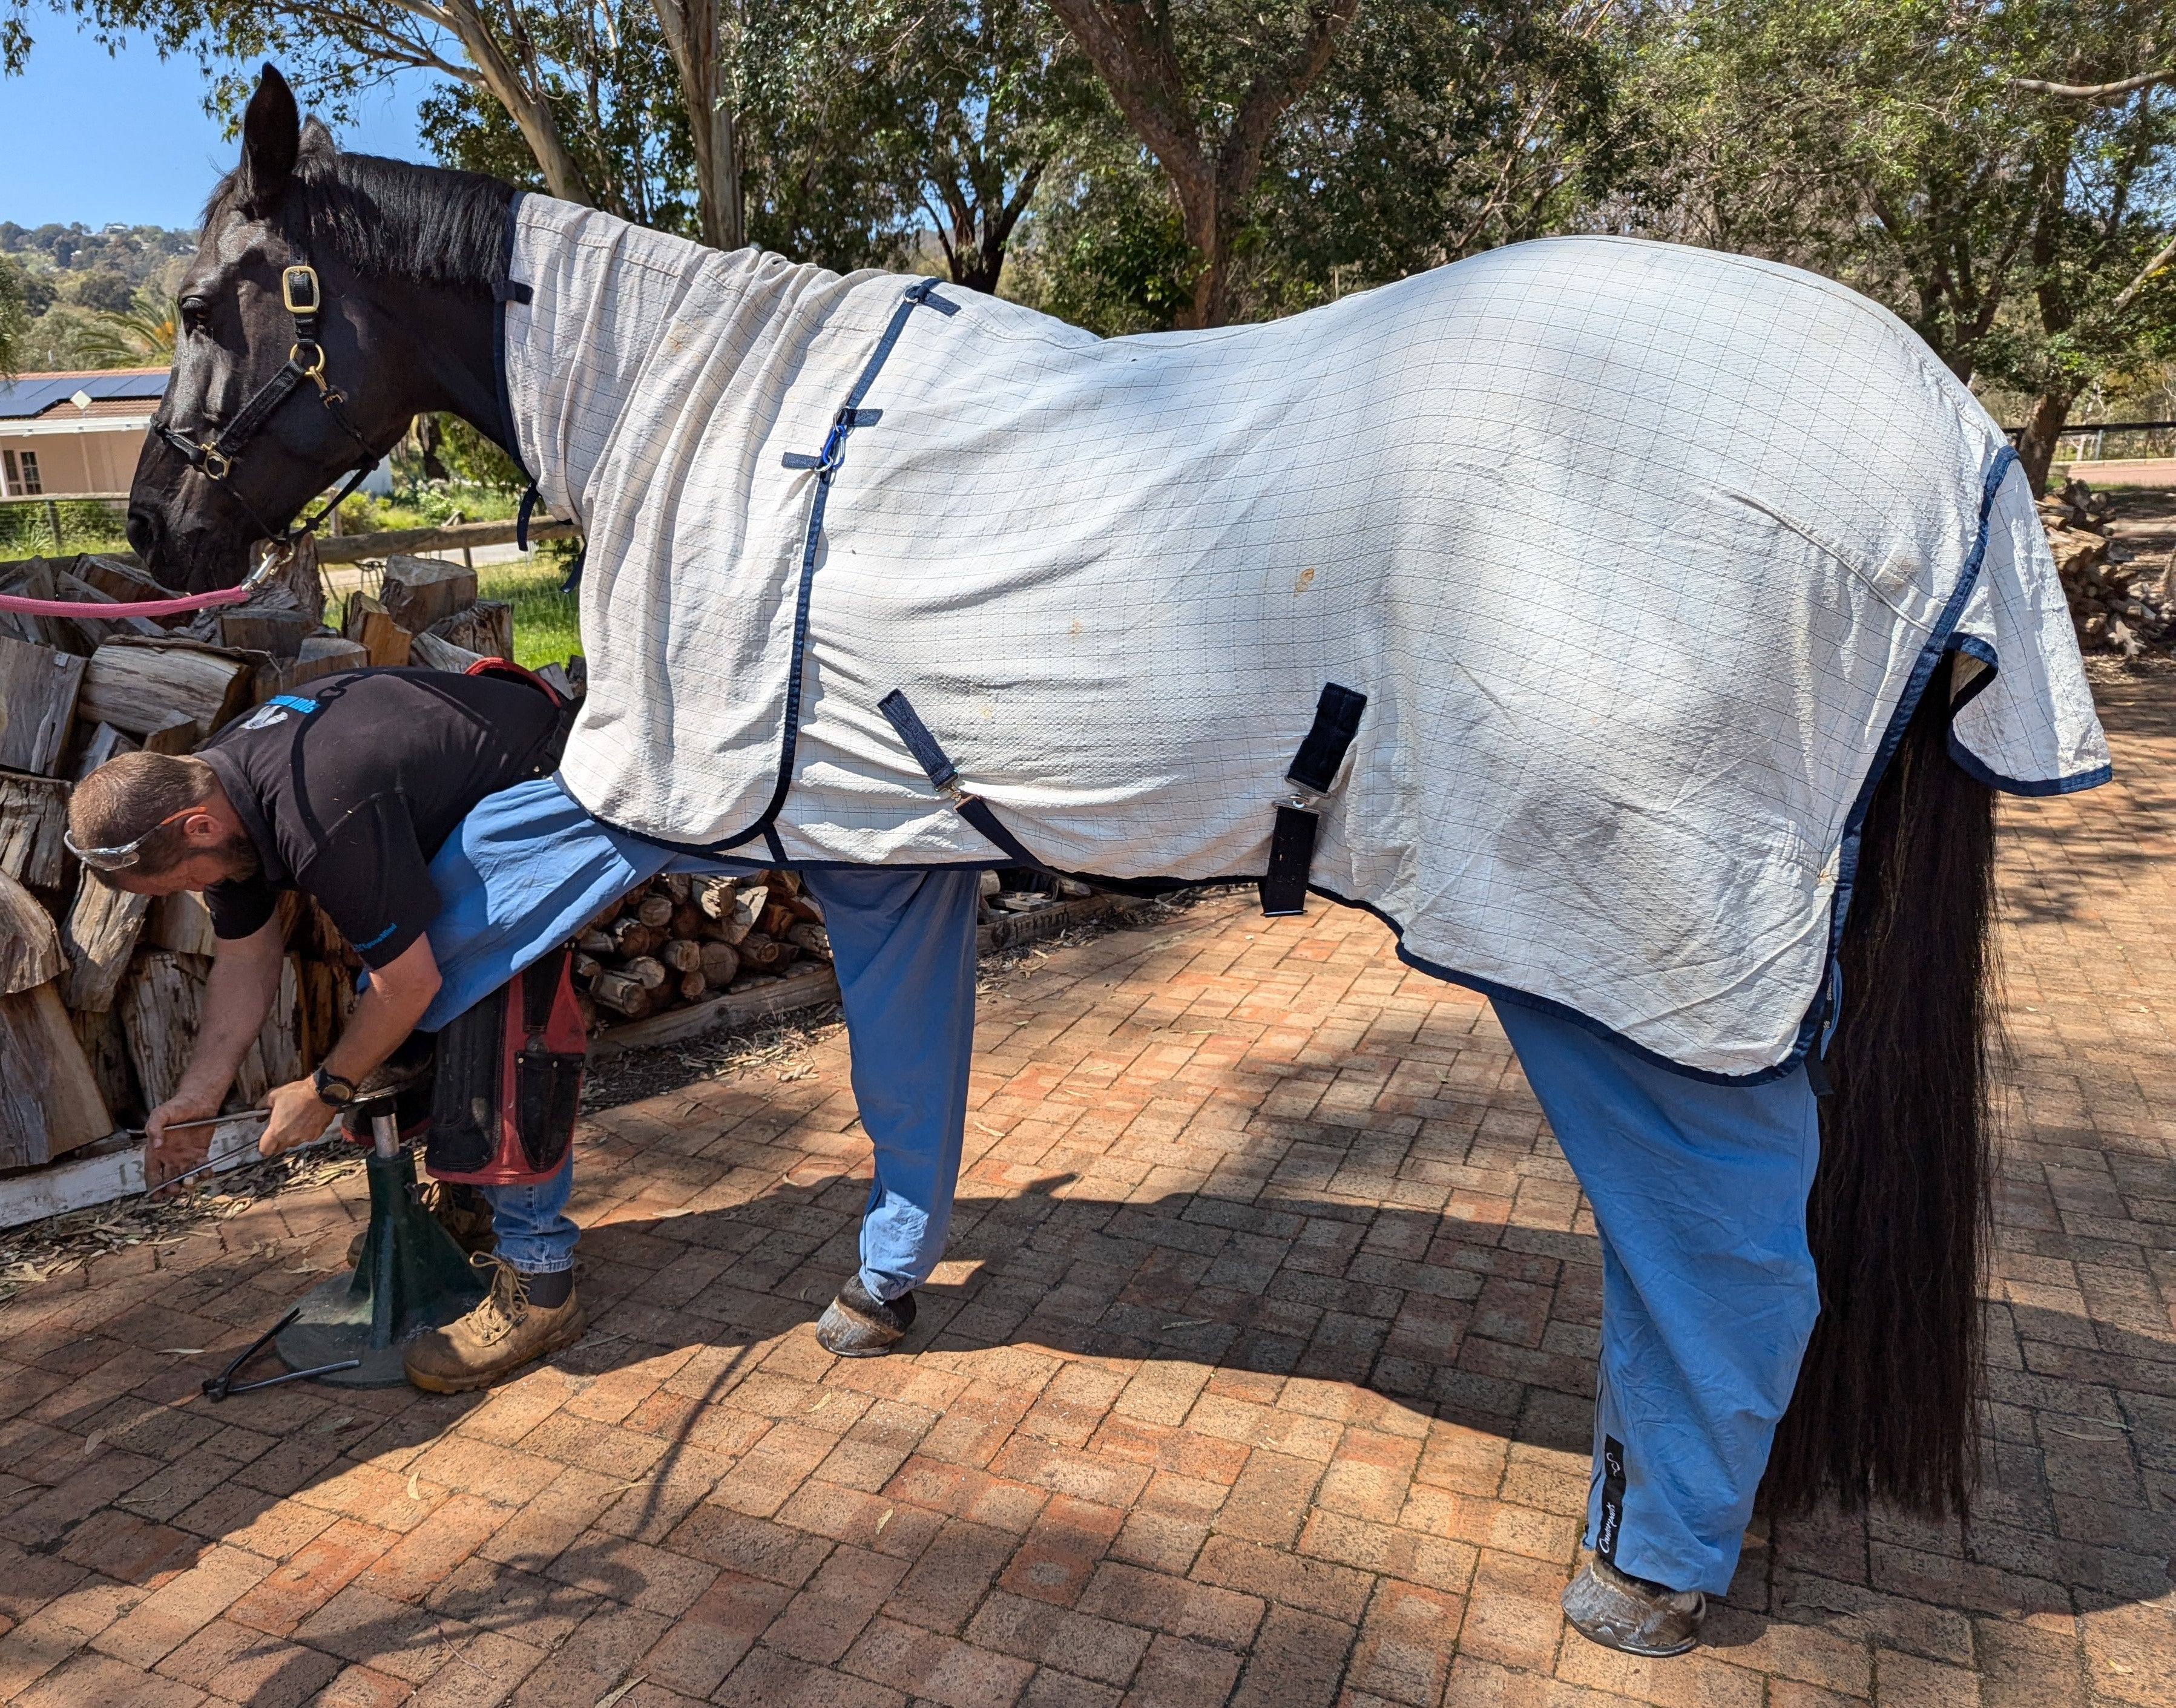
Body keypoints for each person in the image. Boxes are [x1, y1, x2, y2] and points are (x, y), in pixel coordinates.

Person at [65, 666, 578, 1390]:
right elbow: (247, 954)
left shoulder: (317, 814)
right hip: (445, 792)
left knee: (489, 1006)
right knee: (401, 999)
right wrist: (199, 1096)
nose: (195, 890)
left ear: (198, 826)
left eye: (183, 879)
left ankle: (541, 1276)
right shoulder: (212, 785)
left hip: (549, 776)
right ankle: (471, 1207)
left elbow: (412, 984)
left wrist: (327, 1087)